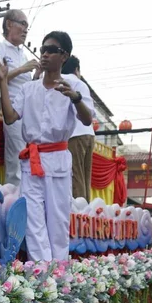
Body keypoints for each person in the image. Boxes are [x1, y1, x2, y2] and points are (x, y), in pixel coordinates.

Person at [0, 31, 94, 262]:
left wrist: (76, 98)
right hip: (31, 160)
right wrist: (3, 81)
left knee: (57, 220)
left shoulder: (75, 85)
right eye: (42, 49)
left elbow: (87, 120)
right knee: (33, 220)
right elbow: (9, 117)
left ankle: (58, 272)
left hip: (57, 158)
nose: (45, 54)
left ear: (64, 56)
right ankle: (41, 275)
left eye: (51, 50)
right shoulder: (30, 88)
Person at [0, 9, 40, 186]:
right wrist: (22, 69)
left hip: (28, 111)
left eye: (27, 27)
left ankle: (27, 197)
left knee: (29, 157)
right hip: (12, 110)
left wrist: (37, 75)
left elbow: (26, 85)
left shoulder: (21, 54)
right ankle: (13, 202)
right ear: (9, 24)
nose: (25, 30)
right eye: (22, 24)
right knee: (16, 158)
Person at [62, 55, 95, 202]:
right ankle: (86, 211)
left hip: (74, 133)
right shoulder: (81, 83)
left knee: (76, 177)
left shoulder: (60, 80)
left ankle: (79, 212)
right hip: (89, 133)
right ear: (77, 69)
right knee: (85, 177)